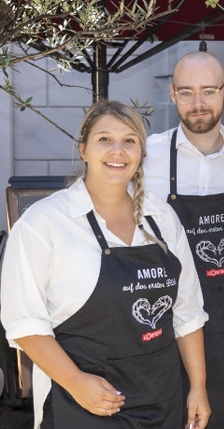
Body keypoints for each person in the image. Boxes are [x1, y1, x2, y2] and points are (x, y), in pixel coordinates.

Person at [0, 100, 210, 428]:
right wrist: (75, 381)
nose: (118, 150)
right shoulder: (44, 222)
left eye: (129, 140)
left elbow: (187, 312)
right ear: (83, 149)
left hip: (161, 398)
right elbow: (25, 322)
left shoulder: (162, 218)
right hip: (83, 404)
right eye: (104, 139)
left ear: (141, 152)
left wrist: (198, 387)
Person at [143, 51, 224, 429]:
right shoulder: (146, 156)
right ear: (172, 94)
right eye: (186, 92)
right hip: (163, 323)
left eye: (208, 91)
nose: (197, 104)